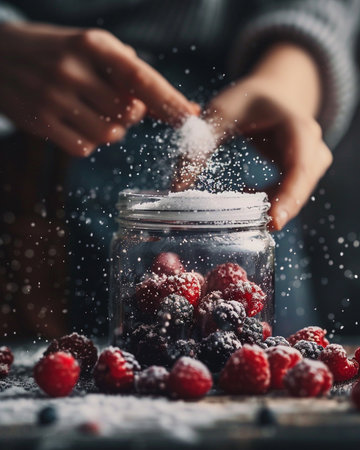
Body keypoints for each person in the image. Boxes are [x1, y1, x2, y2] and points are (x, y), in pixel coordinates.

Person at [0, 1, 359, 337]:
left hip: (241, 137)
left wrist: (287, 80)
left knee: (264, 390)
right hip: (23, 145)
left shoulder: (249, 244)